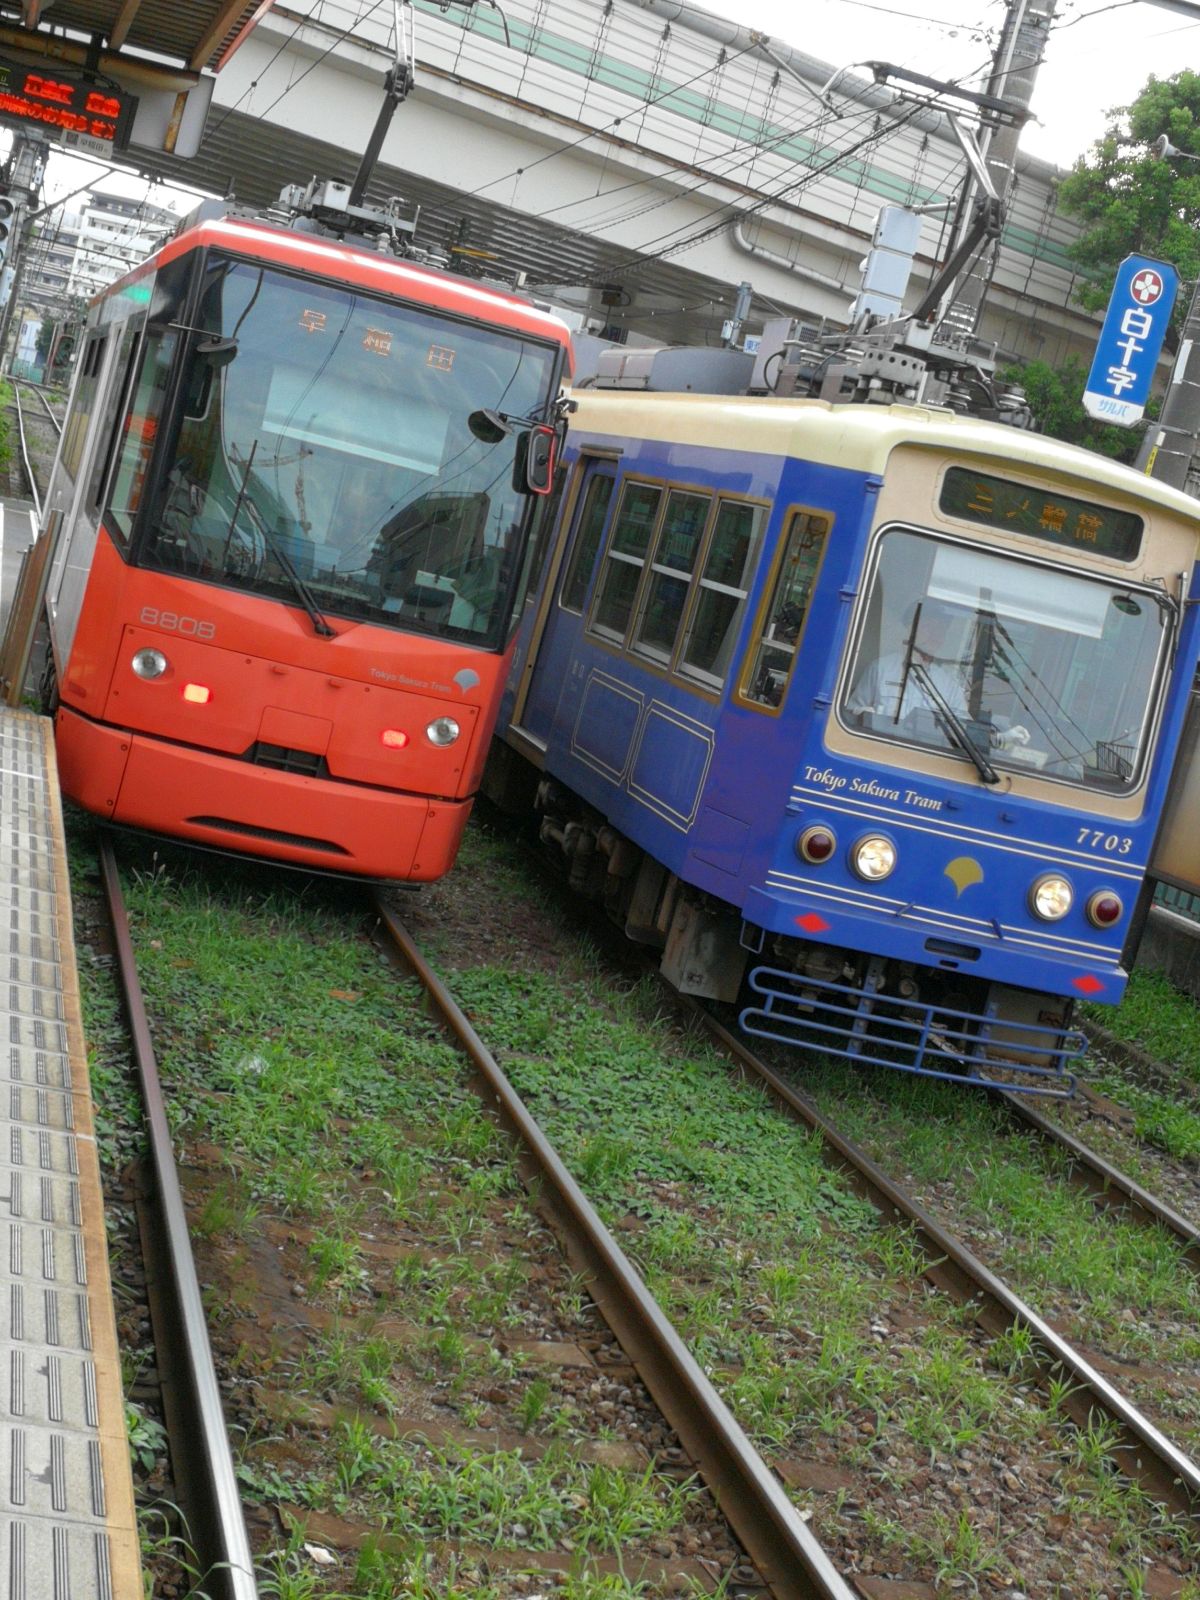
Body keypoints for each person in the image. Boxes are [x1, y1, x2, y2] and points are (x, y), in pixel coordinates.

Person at [848, 598, 1030, 750]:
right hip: (880, 752)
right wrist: (865, 715)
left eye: (942, 629)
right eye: (930, 627)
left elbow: (965, 732)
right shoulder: (881, 668)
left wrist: (1000, 738)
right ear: (912, 629)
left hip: (928, 760)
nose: (937, 635)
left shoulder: (948, 683)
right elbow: (850, 715)